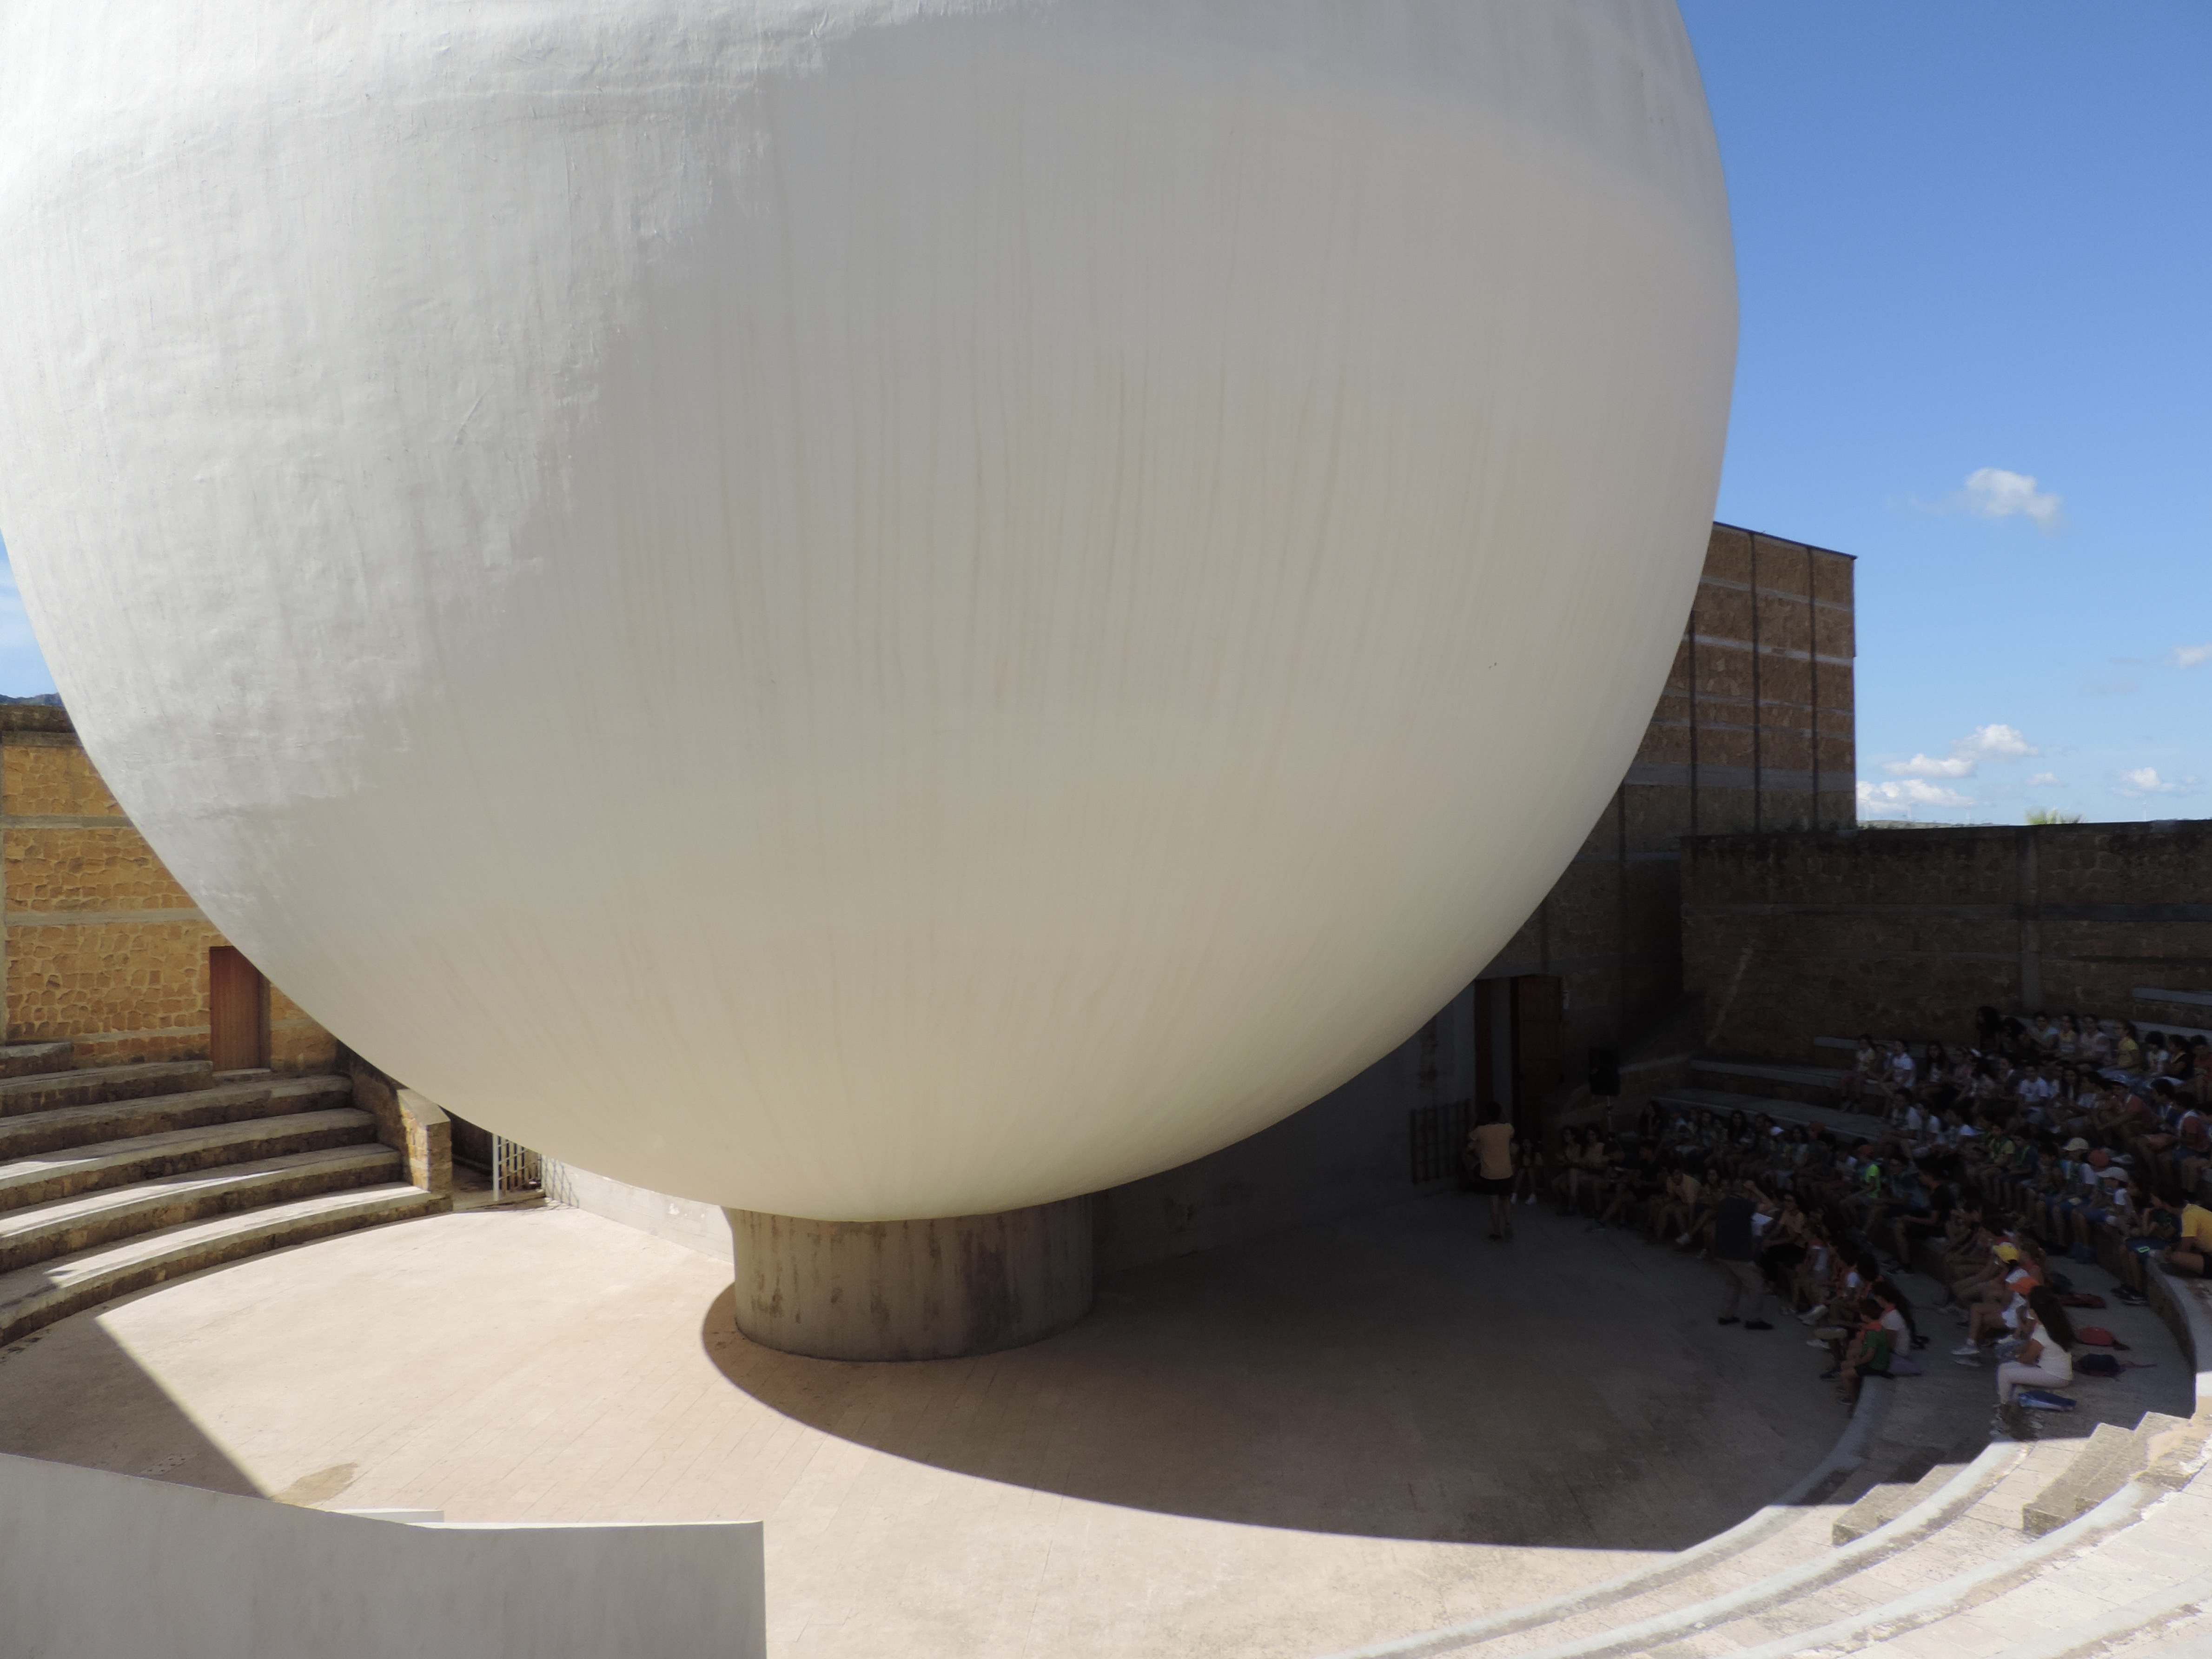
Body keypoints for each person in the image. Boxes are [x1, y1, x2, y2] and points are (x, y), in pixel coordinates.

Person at [1995, 1287, 2076, 1435]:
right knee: (2006, 1368)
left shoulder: (2042, 1332)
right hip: (2053, 1370)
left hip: (2056, 1377)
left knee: (2005, 1373)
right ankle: (2004, 1403)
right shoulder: (2055, 1324)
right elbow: (2030, 1345)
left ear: (2033, 1312)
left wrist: (2017, 1356)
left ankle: (2004, 1410)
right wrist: (2018, 1351)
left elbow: (2027, 1359)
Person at [1712, 1181, 1773, 1330]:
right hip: (1738, 1254)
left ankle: (1726, 1315)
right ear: (1746, 1193)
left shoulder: (1725, 1202)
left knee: (1733, 1283)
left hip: (1721, 1251)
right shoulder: (1744, 1205)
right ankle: (1753, 1319)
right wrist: (1755, 1188)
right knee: (1757, 1286)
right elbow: (1769, 1205)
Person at [1467, 1102, 1516, 1242]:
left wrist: (1472, 1122)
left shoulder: (1482, 1130)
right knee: (1506, 1199)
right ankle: (1508, 1222)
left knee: (1493, 1202)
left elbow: (1470, 1137)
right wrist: (1507, 1115)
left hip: (1489, 1173)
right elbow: (1512, 1130)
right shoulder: (1507, 1129)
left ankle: (1497, 1232)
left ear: (1487, 1115)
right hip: (1506, 1171)